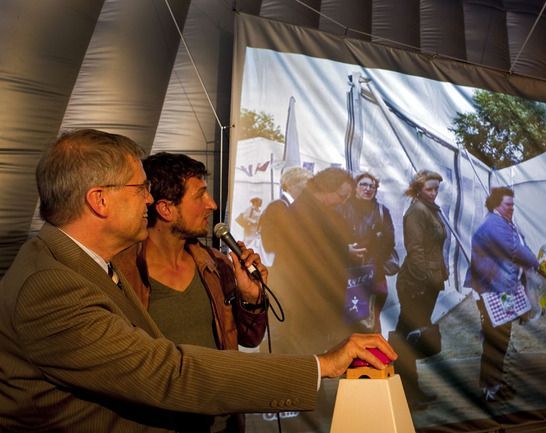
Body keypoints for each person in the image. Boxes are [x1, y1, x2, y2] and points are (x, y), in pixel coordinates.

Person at [0, 129, 396, 432]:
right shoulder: (50, 287)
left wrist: (250, 299)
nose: (149, 201)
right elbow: (170, 373)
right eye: (141, 190)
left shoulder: (83, 263)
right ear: (99, 200)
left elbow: (238, 340)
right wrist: (322, 365)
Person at [112, 152, 266, 433]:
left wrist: (251, 297)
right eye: (200, 196)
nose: (212, 205)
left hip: (222, 424)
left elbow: (250, 337)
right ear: (166, 209)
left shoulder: (217, 264)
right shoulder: (121, 272)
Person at [464, 187, 539, 402]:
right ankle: (491, 388)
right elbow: (515, 250)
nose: (512, 208)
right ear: (496, 204)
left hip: (499, 289)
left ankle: (494, 383)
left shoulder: (501, 222)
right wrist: (537, 263)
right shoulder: (495, 224)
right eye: (508, 204)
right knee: (497, 340)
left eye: (513, 204)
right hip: (492, 290)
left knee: (499, 339)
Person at [271, 167, 355, 354]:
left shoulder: (317, 211)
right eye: (342, 196)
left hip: (312, 303)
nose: (344, 202)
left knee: (312, 360)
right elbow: (304, 263)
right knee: (309, 362)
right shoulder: (301, 215)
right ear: (325, 189)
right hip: (306, 305)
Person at [391, 170, 447, 409]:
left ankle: (412, 390)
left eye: (436, 189)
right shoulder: (416, 212)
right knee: (406, 339)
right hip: (416, 283)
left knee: (411, 339)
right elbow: (415, 251)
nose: (434, 193)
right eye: (429, 189)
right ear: (418, 189)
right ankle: (406, 393)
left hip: (427, 281)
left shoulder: (429, 208)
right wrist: (424, 280)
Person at [340, 172, 397, 333]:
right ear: (355, 188)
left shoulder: (381, 211)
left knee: (372, 318)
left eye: (372, 186)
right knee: (351, 319)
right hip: (348, 274)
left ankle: (374, 355)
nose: (368, 189)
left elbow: (389, 240)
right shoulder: (343, 208)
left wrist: (374, 262)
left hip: (374, 272)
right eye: (363, 184)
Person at [258, 166, 312, 267]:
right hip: (282, 269)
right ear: (290, 185)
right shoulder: (279, 207)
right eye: (305, 186)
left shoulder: (285, 206)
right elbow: (274, 243)